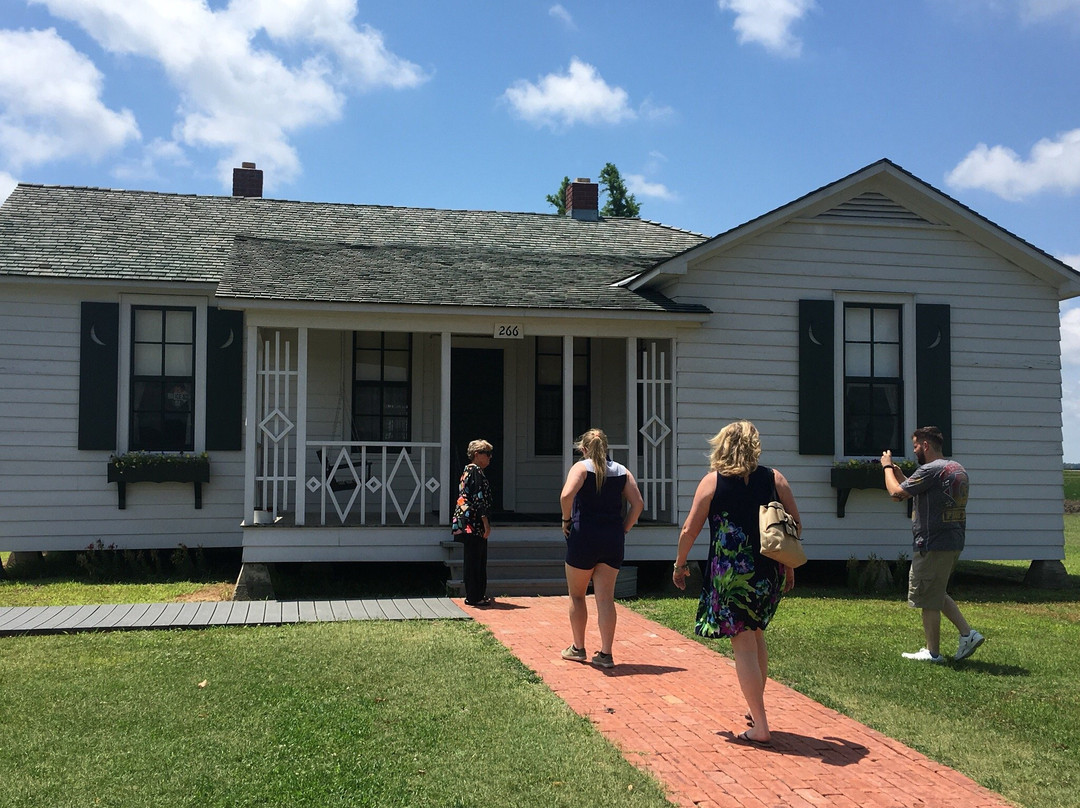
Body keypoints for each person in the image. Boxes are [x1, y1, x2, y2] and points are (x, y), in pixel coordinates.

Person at [673, 420, 798, 746]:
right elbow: (795, 524)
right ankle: (756, 711)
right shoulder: (774, 479)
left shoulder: (713, 482)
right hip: (768, 571)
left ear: (723, 445)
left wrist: (680, 564)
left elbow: (689, 530)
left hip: (731, 574)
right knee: (755, 635)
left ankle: (760, 725)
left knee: (743, 643)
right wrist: (787, 565)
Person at [882, 426, 984, 664]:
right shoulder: (955, 468)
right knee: (935, 591)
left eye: (916, 446)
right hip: (952, 540)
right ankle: (968, 634)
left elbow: (896, 494)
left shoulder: (930, 469)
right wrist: (901, 476)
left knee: (928, 597)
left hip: (932, 542)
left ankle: (933, 653)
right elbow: (917, 491)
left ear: (926, 445)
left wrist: (886, 467)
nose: (914, 451)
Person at [559, 428, 644, 669]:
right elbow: (638, 504)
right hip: (612, 539)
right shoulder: (621, 471)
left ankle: (578, 648)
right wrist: (624, 528)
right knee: (606, 598)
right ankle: (606, 653)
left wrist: (566, 520)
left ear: (584, 449)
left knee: (577, 595)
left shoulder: (581, 468)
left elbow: (566, 496)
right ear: (606, 448)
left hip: (583, 536)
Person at [452, 439, 494, 607]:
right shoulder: (475, 471)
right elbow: (478, 498)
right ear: (477, 454)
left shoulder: (467, 471)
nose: (490, 458)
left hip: (467, 521)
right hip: (473, 523)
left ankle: (475, 594)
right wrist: (486, 523)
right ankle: (475, 596)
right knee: (476, 560)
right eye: (487, 454)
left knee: (473, 558)